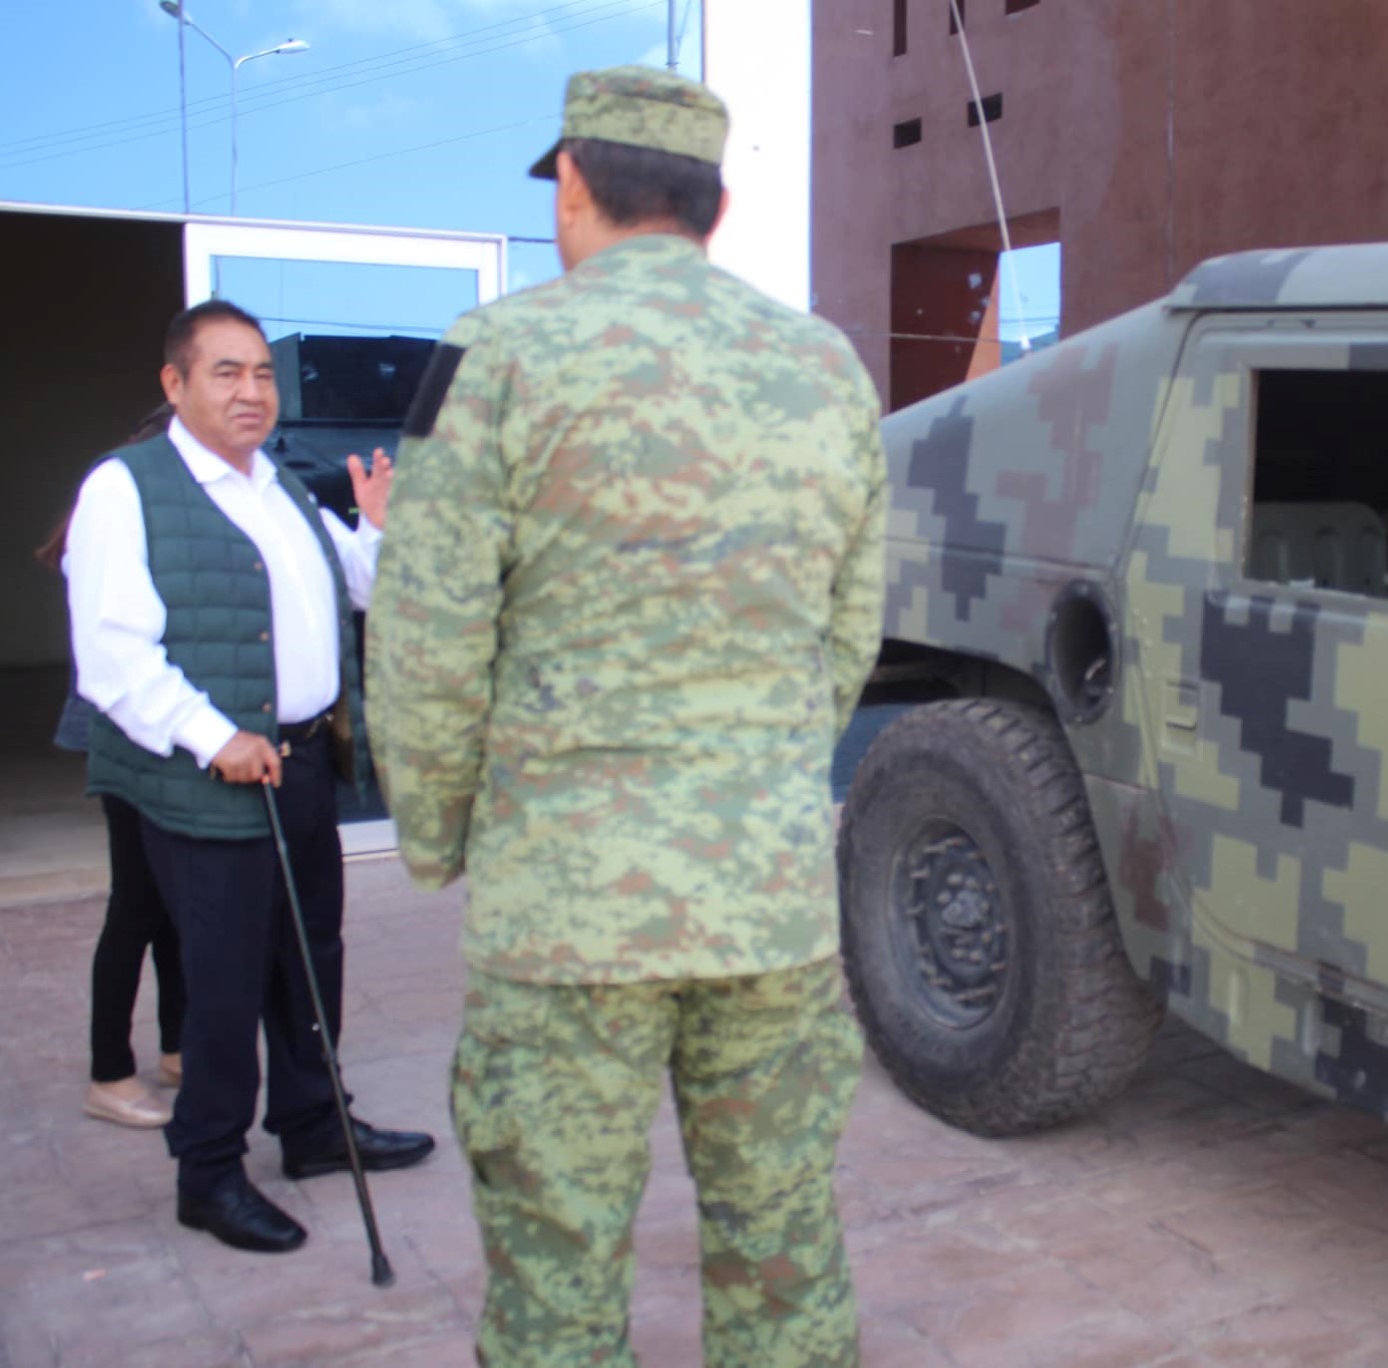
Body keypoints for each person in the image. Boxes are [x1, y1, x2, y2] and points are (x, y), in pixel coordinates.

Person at [366, 67, 888, 1368]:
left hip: (564, 916)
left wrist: (435, 836)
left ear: (577, 186)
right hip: (768, 900)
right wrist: (758, 776)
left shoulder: (489, 357)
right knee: (783, 1252)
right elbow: (848, 627)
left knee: (556, 1270)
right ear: (713, 204)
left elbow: (428, 641)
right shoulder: (823, 365)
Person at [62, 301, 435, 1255]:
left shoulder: (282, 489)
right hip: (211, 779)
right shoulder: (126, 488)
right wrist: (208, 732)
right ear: (174, 384)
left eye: (264, 373)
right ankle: (210, 1173)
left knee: (311, 959)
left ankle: (313, 1128)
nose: (251, 391)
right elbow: (111, 654)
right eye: (226, 372)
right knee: (223, 983)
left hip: (304, 765)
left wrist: (381, 531)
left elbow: (353, 584)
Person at [38, 401, 188, 1130]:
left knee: (168, 907)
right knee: (137, 905)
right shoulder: (119, 508)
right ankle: (108, 1072)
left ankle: (178, 1049)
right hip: (127, 735)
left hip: (161, 736)